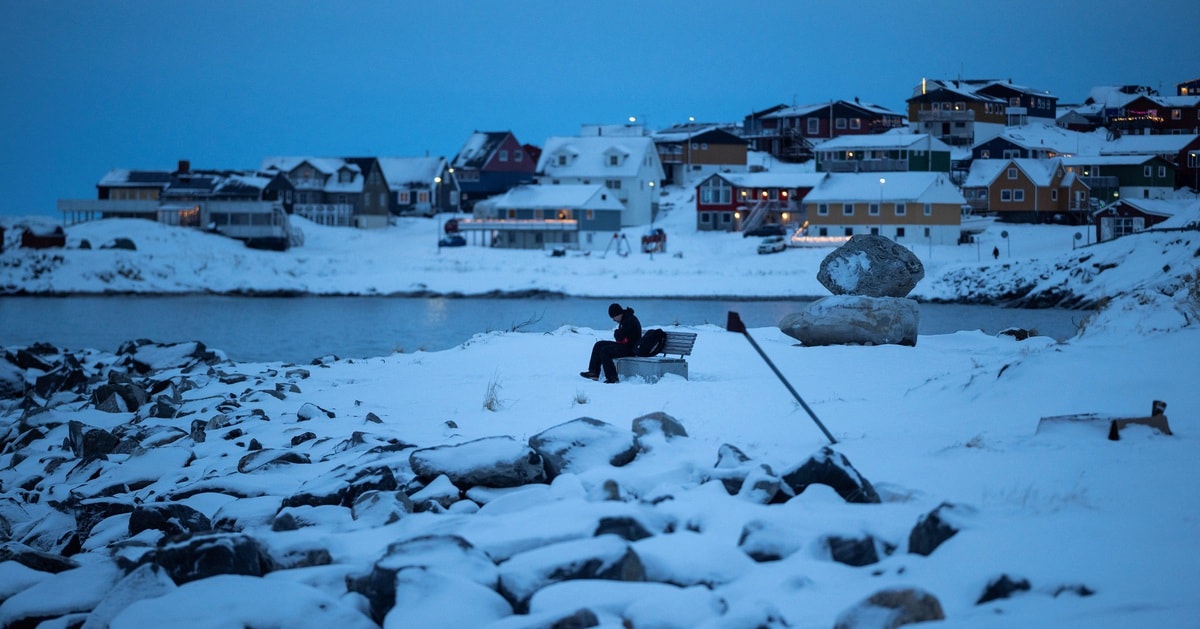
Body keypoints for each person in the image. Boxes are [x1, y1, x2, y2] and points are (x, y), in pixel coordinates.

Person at [581, 303, 641, 383]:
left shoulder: (629, 320)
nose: (613, 319)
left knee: (605, 350)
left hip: (632, 348)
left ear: (618, 313)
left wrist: (618, 333)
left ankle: (612, 378)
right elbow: (621, 336)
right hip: (625, 345)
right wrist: (619, 333)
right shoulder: (625, 319)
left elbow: (621, 337)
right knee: (599, 344)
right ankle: (593, 372)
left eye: (613, 317)